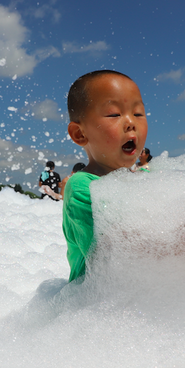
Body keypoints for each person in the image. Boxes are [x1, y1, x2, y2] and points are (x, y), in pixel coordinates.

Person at [63, 70, 147, 281]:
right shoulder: (83, 186)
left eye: (138, 113)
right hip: (91, 305)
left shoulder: (145, 179)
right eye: (114, 114)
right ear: (80, 134)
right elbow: (114, 255)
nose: (131, 123)